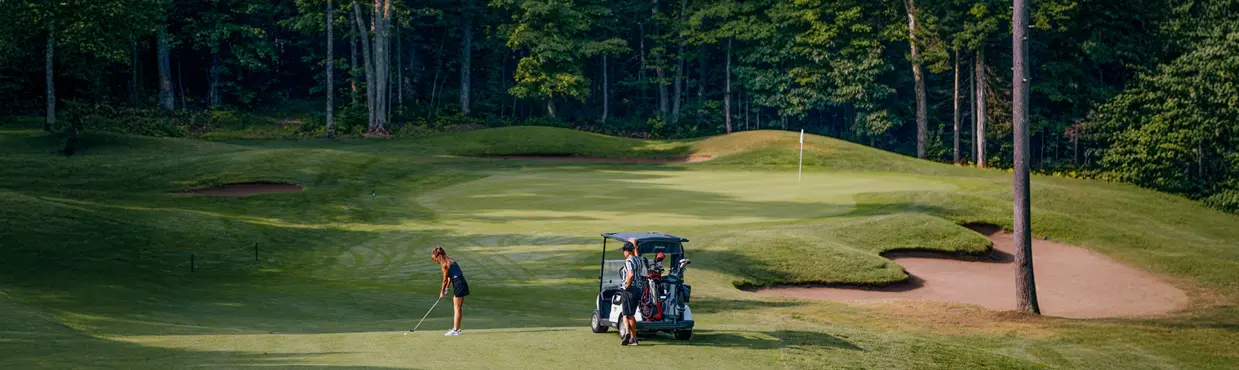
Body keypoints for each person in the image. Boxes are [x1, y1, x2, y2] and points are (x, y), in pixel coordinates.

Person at [432, 246, 469, 336]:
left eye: (434, 259)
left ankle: (456, 330)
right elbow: (449, 278)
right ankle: (457, 328)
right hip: (461, 282)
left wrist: (442, 292)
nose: (435, 261)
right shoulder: (451, 261)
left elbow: (444, 280)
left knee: (457, 307)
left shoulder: (445, 265)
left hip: (459, 284)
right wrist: (447, 288)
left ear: (438, 257)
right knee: (457, 307)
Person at [618, 240, 644, 346]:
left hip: (630, 289)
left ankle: (628, 333)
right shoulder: (638, 259)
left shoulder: (628, 261)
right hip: (638, 289)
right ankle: (633, 337)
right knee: (631, 314)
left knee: (626, 313)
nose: (623, 253)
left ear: (628, 251)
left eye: (624, 251)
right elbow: (636, 254)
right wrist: (635, 244)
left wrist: (627, 285)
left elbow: (631, 274)